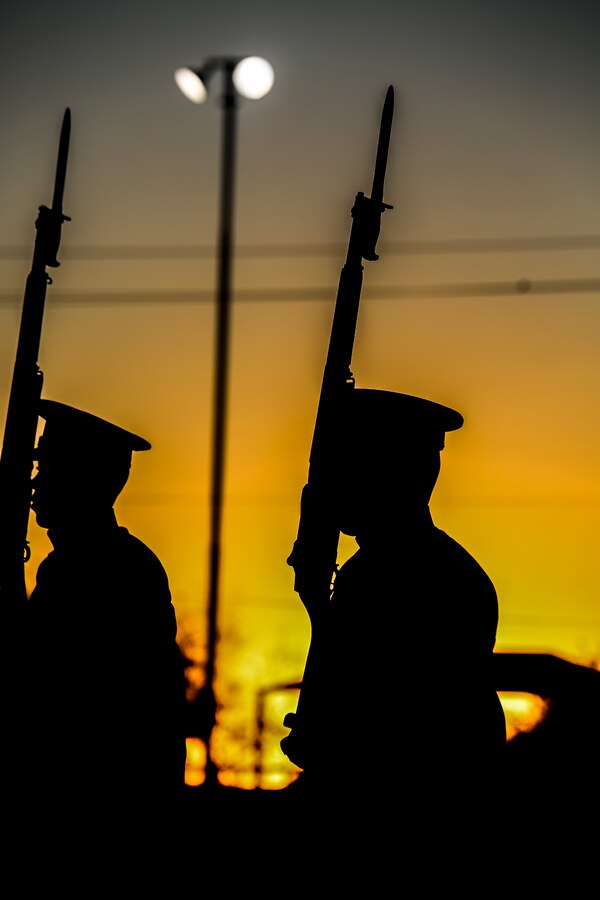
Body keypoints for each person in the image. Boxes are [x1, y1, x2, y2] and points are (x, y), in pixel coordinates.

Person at [281, 388, 507, 859]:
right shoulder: (397, 568)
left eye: (347, 464)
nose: (334, 481)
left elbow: (389, 736)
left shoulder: (394, 575)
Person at [26, 399, 188, 829]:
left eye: (49, 471)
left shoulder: (106, 569)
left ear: (85, 482)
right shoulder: (77, 564)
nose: (35, 485)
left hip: (99, 807)